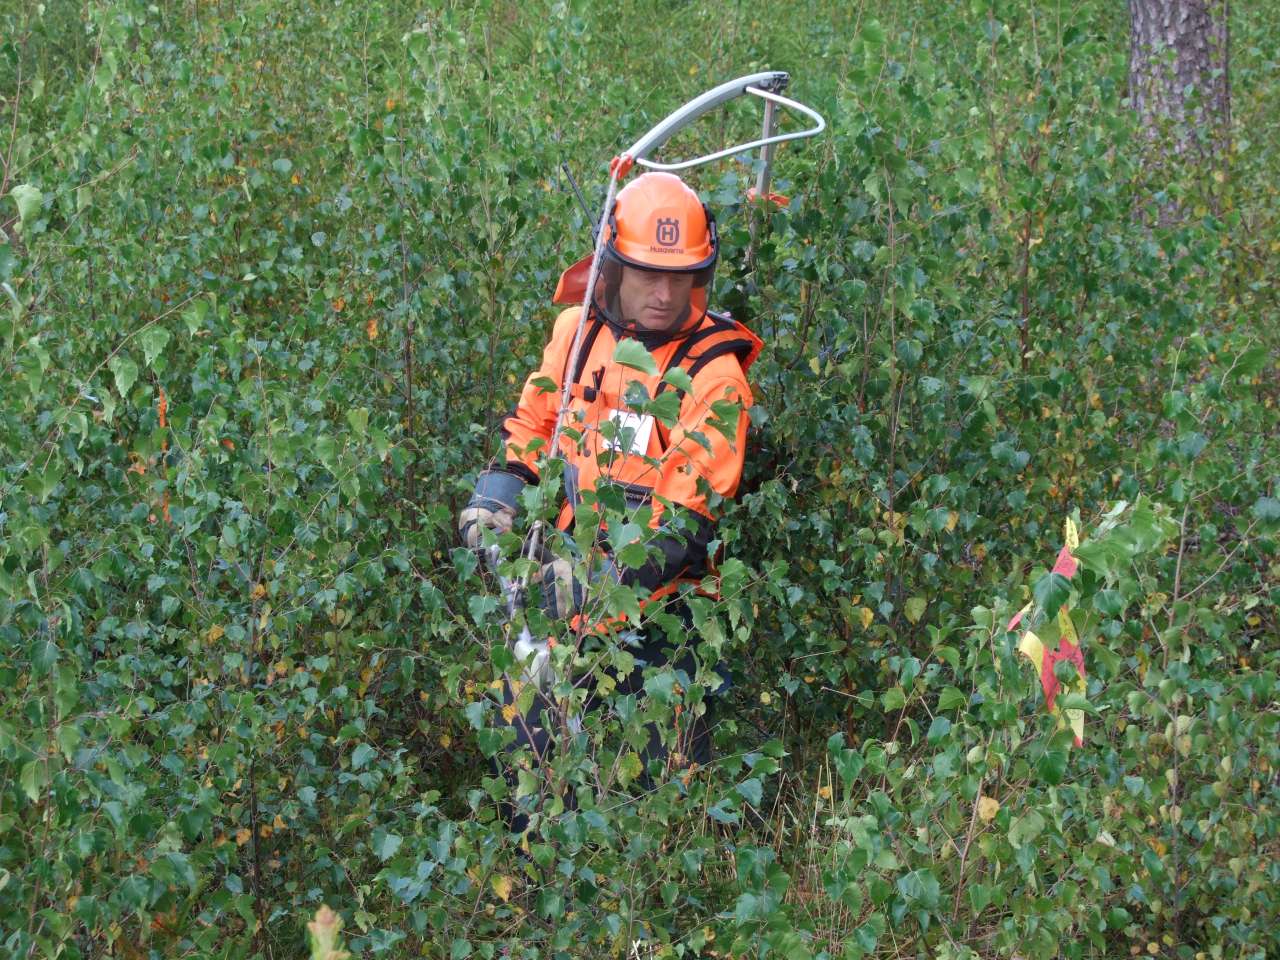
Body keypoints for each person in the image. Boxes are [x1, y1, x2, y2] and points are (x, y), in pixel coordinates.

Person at [458, 171, 761, 822]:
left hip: (663, 622)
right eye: (647, 273)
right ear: (612, 266)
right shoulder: (578, 335)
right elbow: (535, 427)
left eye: (679, 277)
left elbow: (683, 527)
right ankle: (531, 896)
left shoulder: (716, 377)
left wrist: (589, 581)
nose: (662, 292)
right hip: (559, 598)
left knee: (651, 815)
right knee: (532, 781)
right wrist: (500, 495)